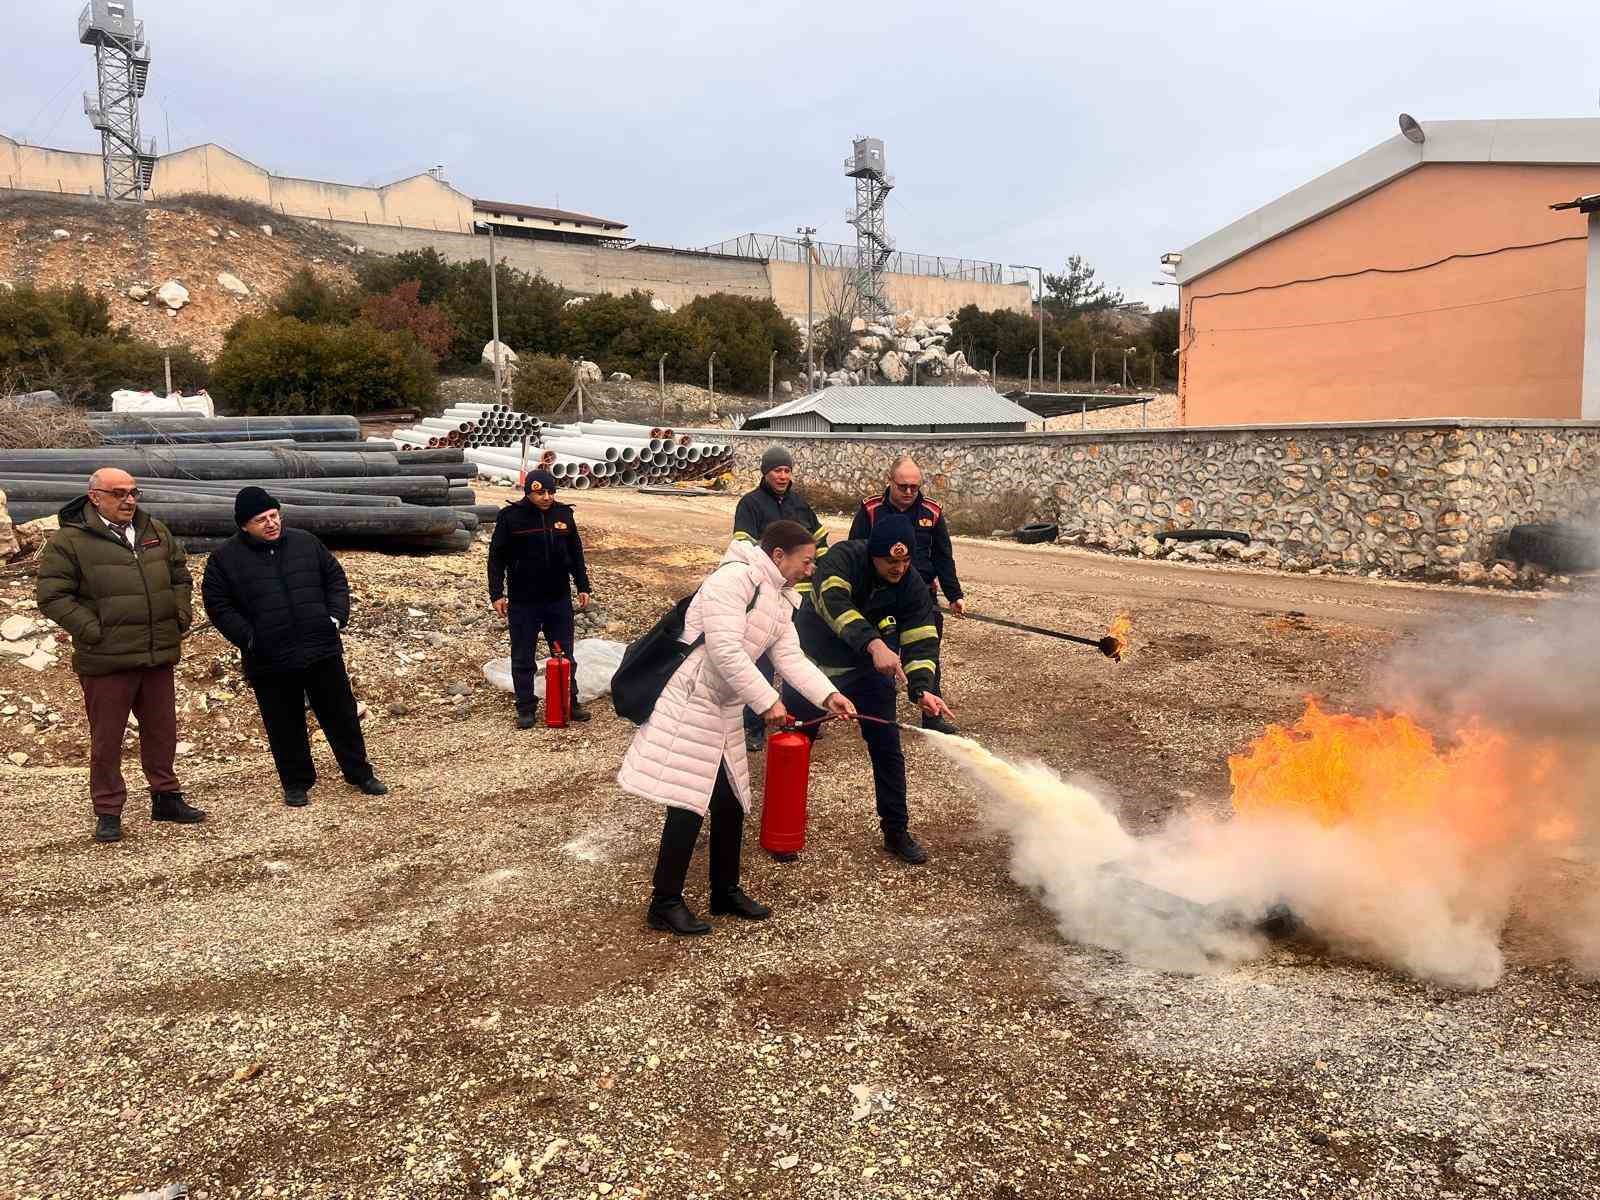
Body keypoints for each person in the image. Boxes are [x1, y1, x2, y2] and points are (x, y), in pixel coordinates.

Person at [618, 520, 856, 936]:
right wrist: (767, 701)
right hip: (691, 698)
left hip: (724, 703)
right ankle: (664, 902)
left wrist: (827, 695)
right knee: (688, 802)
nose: (811, 569)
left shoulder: (781, 598)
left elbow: (790, 657)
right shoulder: (733, 580)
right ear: (778, 555)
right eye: (807, 561)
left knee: (730, 802)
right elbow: (724, 651)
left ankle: (724, 891)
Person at [35, 467, 206, 844]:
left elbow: (180, 574)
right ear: (95, 497)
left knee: (162, 731)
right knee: (108, 739)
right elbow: (51, 596)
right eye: (119, 493)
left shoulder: (153, 531)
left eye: (133, 492)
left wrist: (179, 615)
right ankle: (108, 810)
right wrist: (94, 631)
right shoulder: (70, 541)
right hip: (106, 660)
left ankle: (166, 797)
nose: (129, 500)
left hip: (157, 651)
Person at [784, 511, 954, 865]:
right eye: (891, 561)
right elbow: (835, 607)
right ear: (873, 554)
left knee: (888, 749)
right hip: (814, 668)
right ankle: (783, 829)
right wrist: (875, 645)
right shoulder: (841, 559)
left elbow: (922, 639)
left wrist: (921, 688)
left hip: (868, 674)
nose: (899, 568)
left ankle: (896, 830)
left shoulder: (912, 586)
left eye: (906, 560)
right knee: (795, 746)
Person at [201, 487, 388, 808]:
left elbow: (335, 579)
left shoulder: (306, 542)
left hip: (320, 647)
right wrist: (250, 638)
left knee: (341, 715)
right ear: (244, 525)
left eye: (274, 516)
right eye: (261, 520)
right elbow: (218, 605)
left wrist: (335, 617)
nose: (271, 523)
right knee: (283, 722)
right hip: (269, 656)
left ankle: (360, 773)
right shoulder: (224, 559)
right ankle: (296, 783)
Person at [848, 454, 965, 734]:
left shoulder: (932, 513)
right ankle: (876, 712)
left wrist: (954, 594)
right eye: (903, 487)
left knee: (927, 652)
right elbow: (855, 552)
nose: (909, 492)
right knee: (881, 654)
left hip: (921, 596)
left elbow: (943, 557)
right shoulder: (871, 510)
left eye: (915, 487)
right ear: (890, 482)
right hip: (880, 598)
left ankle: (932, 715)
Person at [732, 444, 830, 753]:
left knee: (794, 658)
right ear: (765, 472)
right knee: (759, 660)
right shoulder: (750, 505)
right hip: (764, 595)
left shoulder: (801, 506)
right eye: (777, 470)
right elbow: (743, 546)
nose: (783, 476)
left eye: (787, 470)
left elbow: (822, 544)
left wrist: (818, 573)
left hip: (798, 599)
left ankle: (796, 717)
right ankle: (754, 725)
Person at [487, 469, 592, 729]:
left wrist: (582, 585)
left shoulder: (564, 515)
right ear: (528, 492)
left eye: (550, 492)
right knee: (523, 656)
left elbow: (576, 553)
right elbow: (496, 558)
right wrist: (497, 594)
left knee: (565, 653)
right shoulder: (511, 517)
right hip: (524, 601)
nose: (547, 497)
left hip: (557, 599)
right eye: (540, 493)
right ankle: (526, 707)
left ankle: (570, 700)